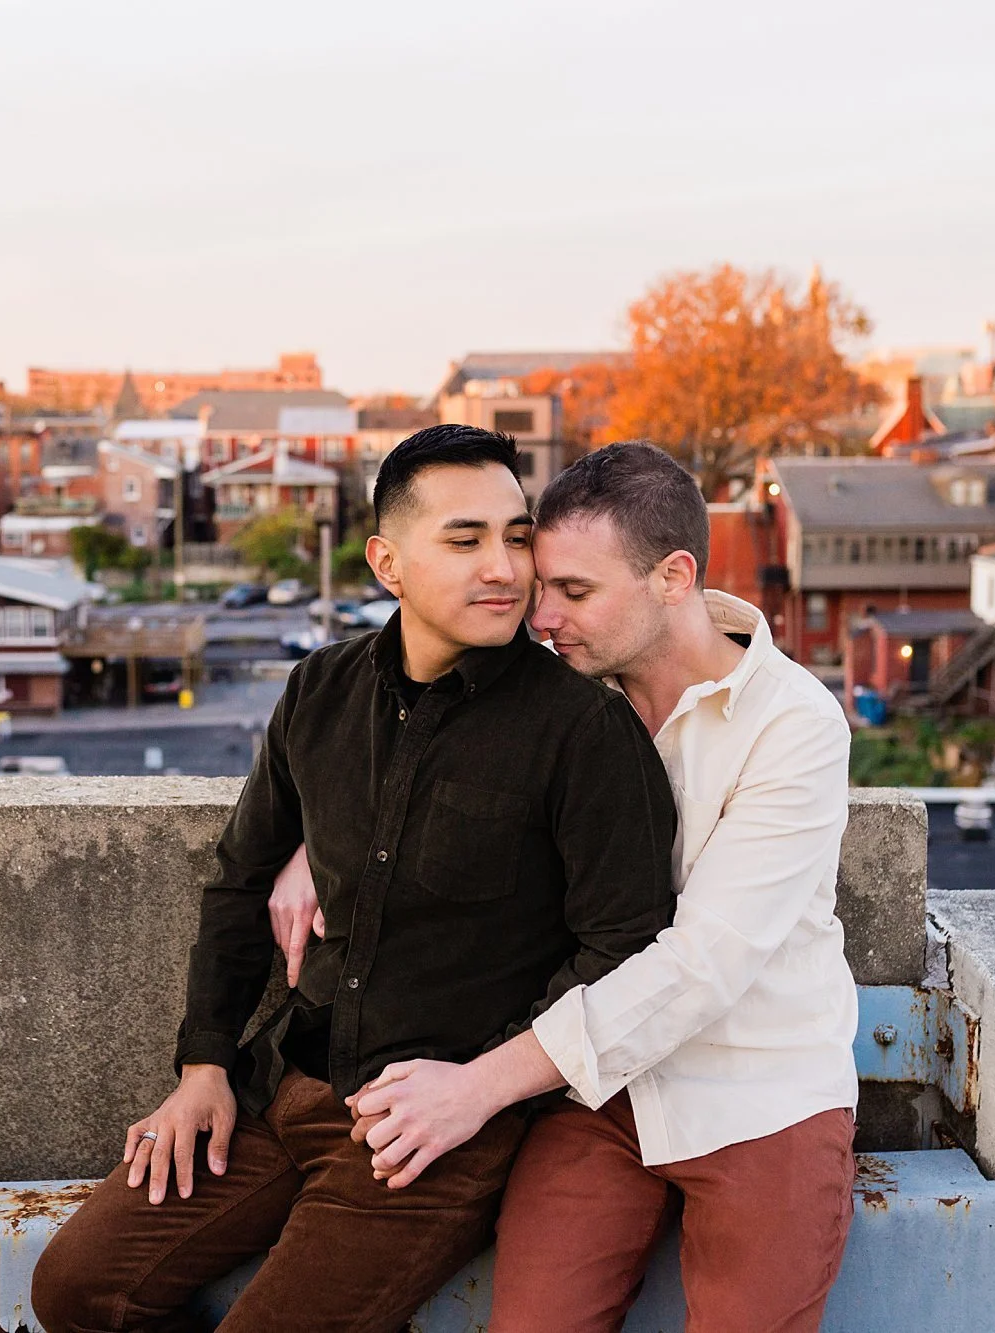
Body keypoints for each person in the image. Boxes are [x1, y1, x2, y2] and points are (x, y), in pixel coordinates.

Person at [30, 425, 677, 1333]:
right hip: (277, 1087)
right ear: (387, 561)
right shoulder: (319, 691)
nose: (505, 567)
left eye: (517, 535)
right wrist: (205, 1063)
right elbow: (238, 881)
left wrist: (484, 1087)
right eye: (465, 539)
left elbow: (626, 947)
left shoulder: (583, 730)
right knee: (76, 1289)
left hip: (428, 1135)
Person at [270, 441, 859, 1332]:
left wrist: (477, 1086)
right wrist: (322, 843)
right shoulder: (571, 699)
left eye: (573, 592)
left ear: (673, 577)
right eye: (542, 585)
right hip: (597, 1099)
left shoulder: (794, 725)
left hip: (758, 1091)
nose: (540, 614)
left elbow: (702, 966)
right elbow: (412, 767)